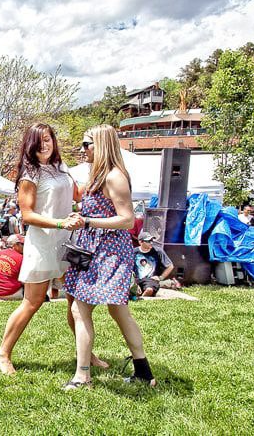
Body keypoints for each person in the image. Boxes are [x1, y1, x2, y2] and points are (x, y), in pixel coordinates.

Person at [62, 124, 155, 390]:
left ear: (101, 145)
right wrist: (82, 218)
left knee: (80, 310)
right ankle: (144, 373)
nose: (82, 149)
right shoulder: (100, 175)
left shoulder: (114, 176)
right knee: (118, 311)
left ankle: (82, 377)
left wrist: (88, 221)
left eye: (86, 144)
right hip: (97, 250)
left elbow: (127, 220)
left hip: (108, 253)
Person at [0, 123, 86, 376]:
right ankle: (3, 352)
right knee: (33, 302)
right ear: (30, 144)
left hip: (67, 241)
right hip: (43, 242)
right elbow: (27, 215)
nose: (45, 145)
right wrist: (60, 222)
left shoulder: (62, 167)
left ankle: (86, 354)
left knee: (75, 300)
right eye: (39, 140)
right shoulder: (30, 174)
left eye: (48, 139)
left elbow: (78, 195)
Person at [133, 232, 177, 297]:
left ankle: (142, 298)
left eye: (152, 241)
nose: (151, 243)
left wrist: (160, 277)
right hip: (136, 280)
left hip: (151, 280)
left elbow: (170, 266)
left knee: (149, 290)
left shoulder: (158, 251)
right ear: (140, 242)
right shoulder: (133, 252)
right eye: (148, 241)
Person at [0, 234, 25, 300]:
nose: (25, 246)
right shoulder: (21, 258)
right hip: (10, 293)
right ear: (15, 245)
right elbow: (25, 279)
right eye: (22, 244)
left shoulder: (0, 253)